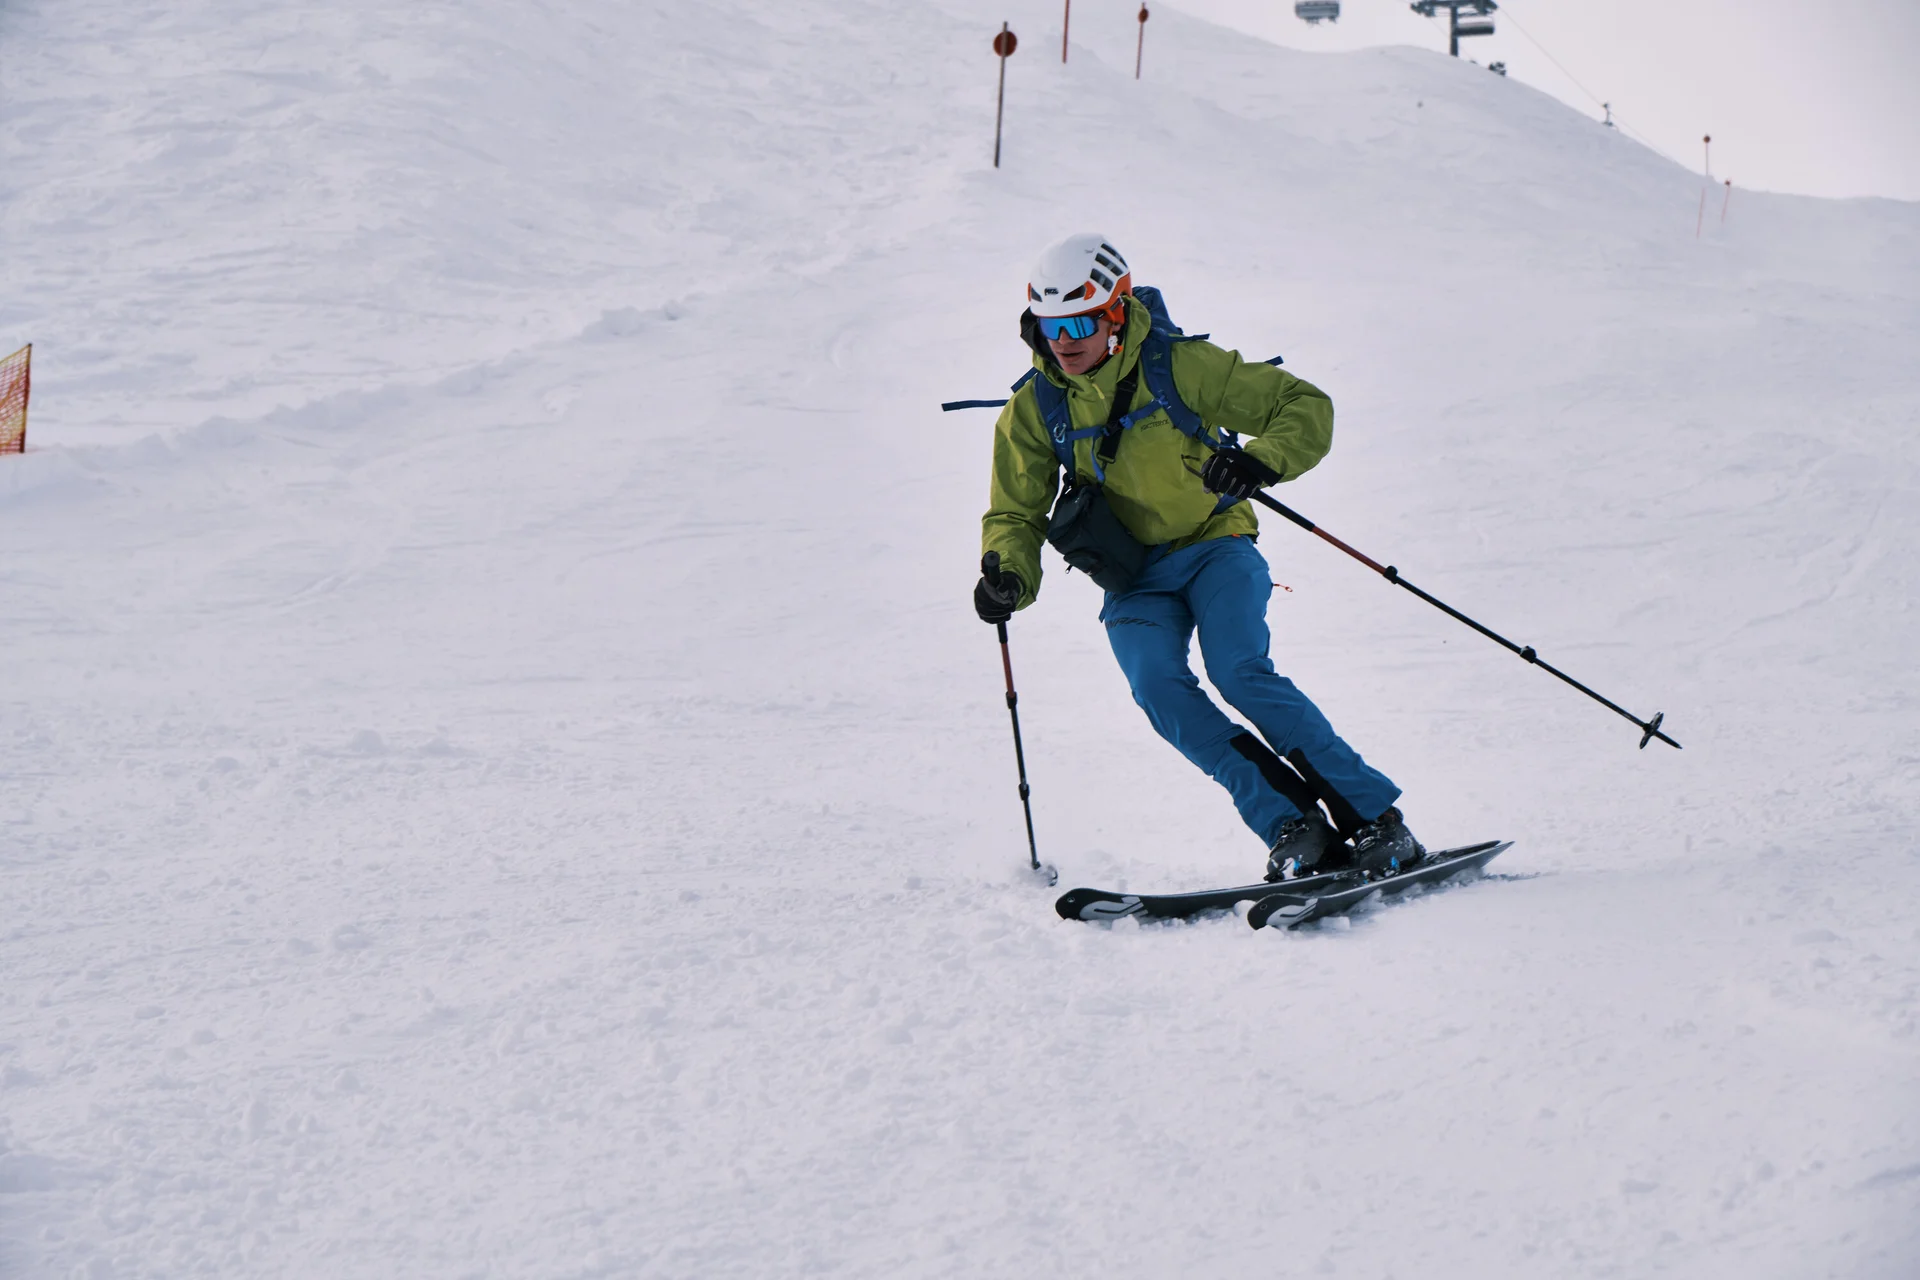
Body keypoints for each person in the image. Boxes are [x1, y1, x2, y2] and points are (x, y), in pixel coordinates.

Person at [974, 233, 1422, 881]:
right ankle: (1293, 825)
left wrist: (1259, 461)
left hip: (1216, 547)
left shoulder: (1179, 366)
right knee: (1157, 687)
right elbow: (1014, 511)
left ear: (1117, 313)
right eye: (1047, 327)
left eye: (1079, 322)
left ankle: (1377, 821)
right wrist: (1007, 573)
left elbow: (1302, 404)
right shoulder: (1035, 408)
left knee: (1239, 670)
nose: (1063, 341)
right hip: (1133, 578)